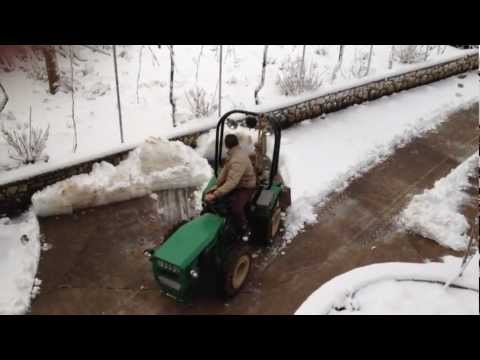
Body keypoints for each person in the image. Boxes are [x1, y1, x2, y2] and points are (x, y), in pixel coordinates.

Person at [205, 134, 256, 237]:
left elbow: (232, 182)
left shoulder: (238, 159)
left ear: (227, 145)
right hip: (238, 183)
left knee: (235, 208)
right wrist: (216, 185)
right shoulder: (233, 154)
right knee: (217, 199)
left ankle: (245, 228)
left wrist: (215, 194)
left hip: (245, 186)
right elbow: (225, 171)